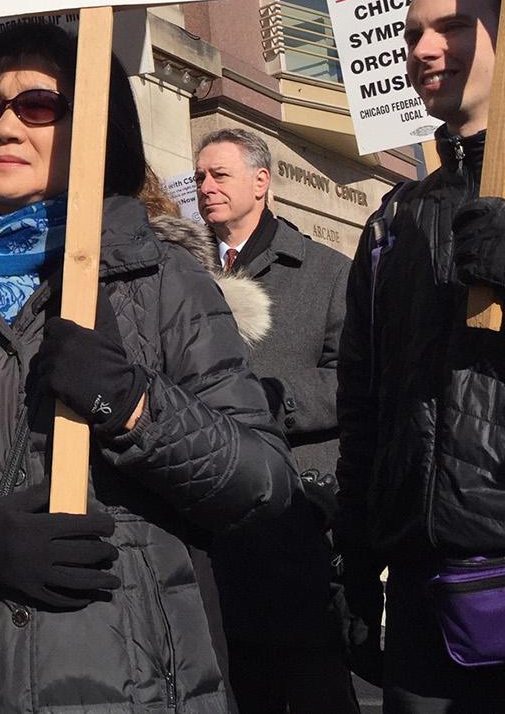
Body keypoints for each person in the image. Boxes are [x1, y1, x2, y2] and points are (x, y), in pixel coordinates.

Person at [0, 20, 298, 713]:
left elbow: (262, 482)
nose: (5, 126)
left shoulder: (160, 280)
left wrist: (133, 406)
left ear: (97, 128)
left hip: (130, 685)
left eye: (38, 106)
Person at [336, 0, 505, 713]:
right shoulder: (392, 223)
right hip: (421, 602)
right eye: (413, 35)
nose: (423, 50)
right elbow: (365, 407)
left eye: (454, 27)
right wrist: (356, 555)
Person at [193, 127, 361, 714]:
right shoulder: (182, 274)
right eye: (200, 177)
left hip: (300, 524)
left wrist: (273, 399)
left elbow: (358, 382)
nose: (206, 187)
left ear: (261, 183)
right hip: (210, 520)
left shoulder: (326, 272)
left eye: (220, 175)